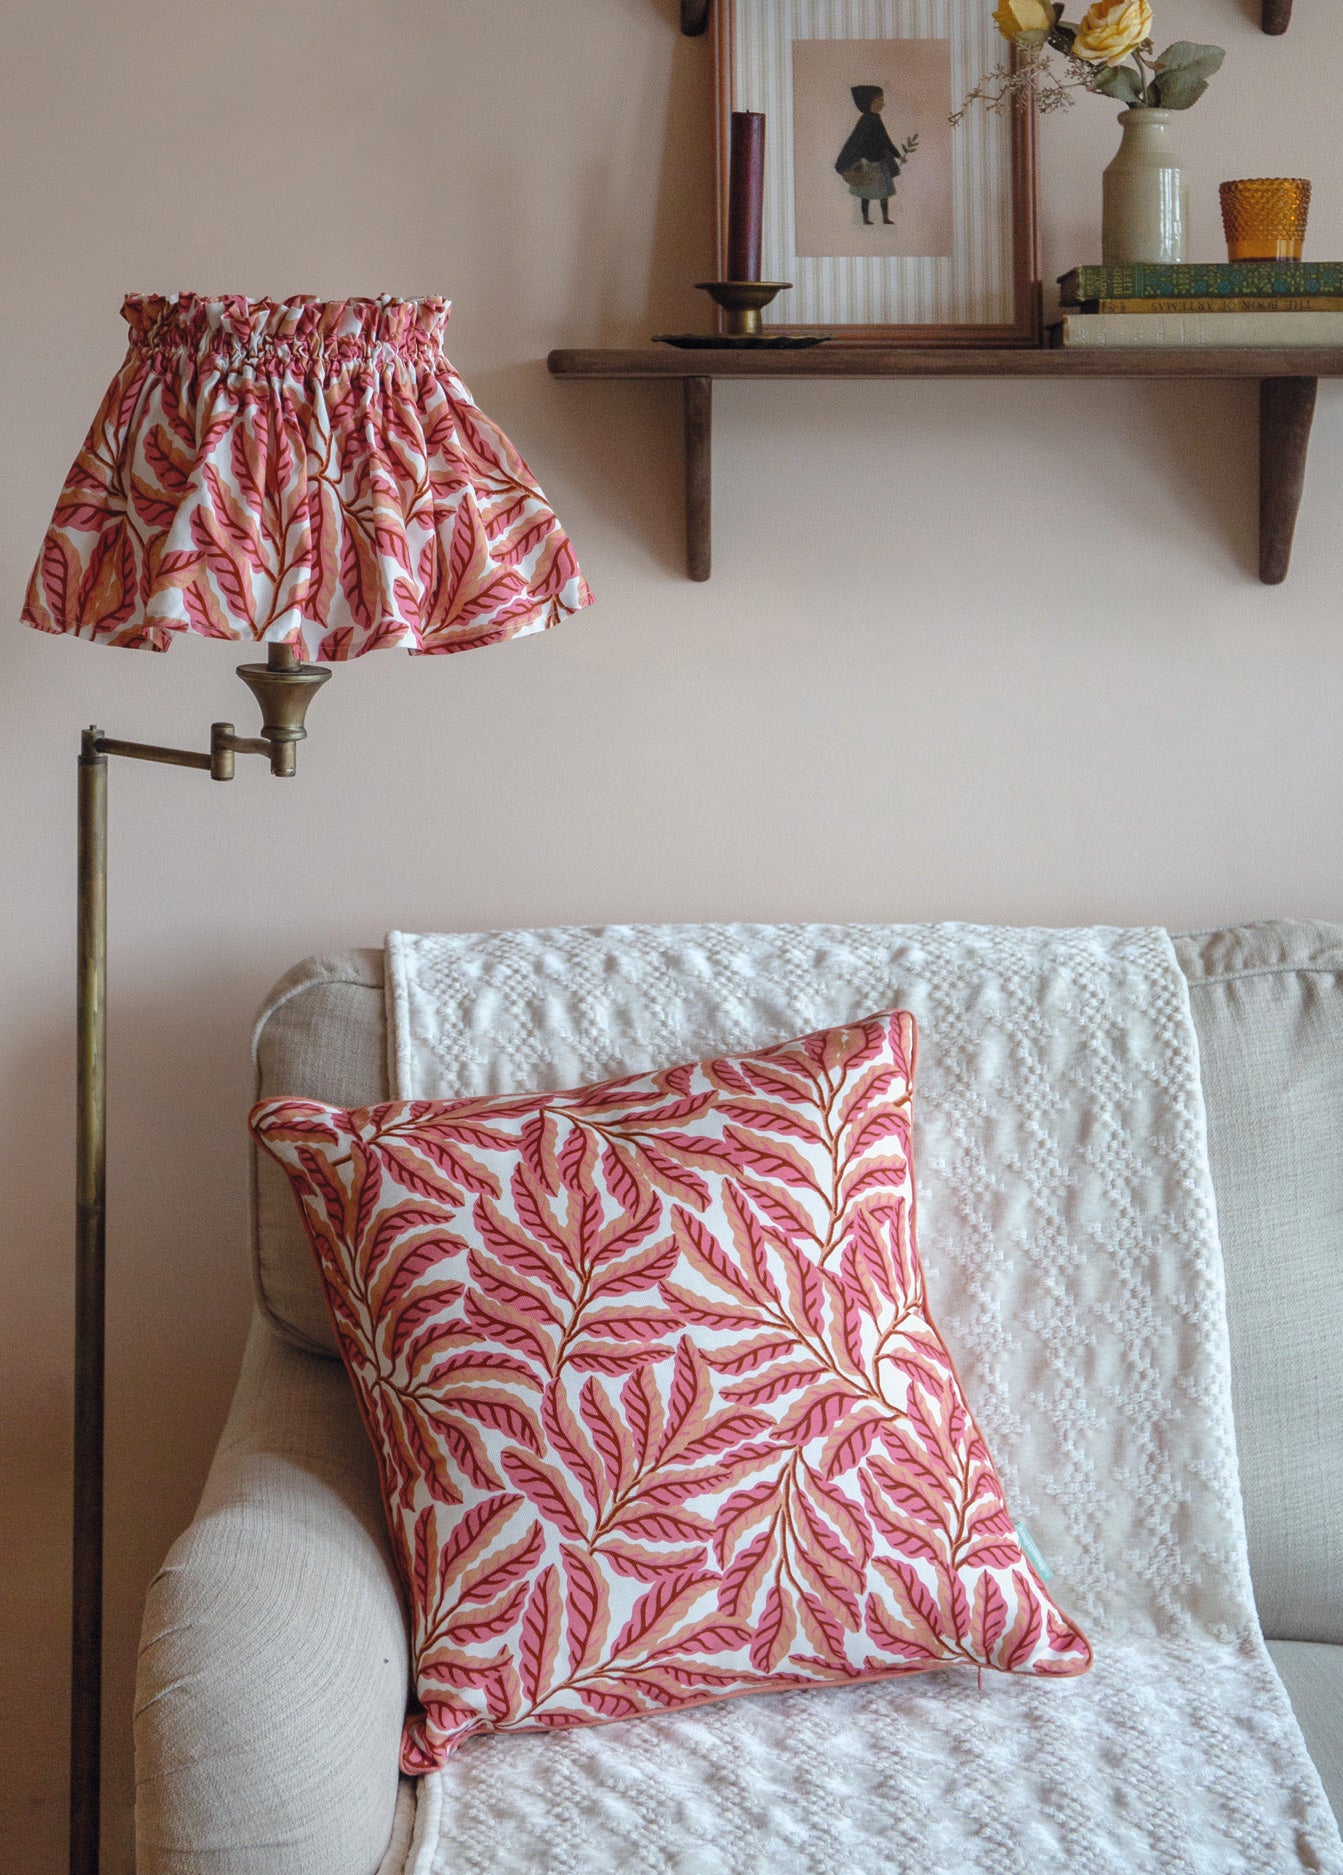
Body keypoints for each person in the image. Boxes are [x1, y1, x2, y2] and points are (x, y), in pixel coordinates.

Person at [834, 86, 913, 226]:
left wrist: (898, 155)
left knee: (884, 193)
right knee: (866, 193)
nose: (882, 104)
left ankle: (885, 217)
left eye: (882, 100)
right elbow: (856, 143)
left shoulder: (877, 118)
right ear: (868, 102)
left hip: (881, 162)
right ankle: (865, 219)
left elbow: (885, 139)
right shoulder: (865, 121)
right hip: (868, 164)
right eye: (879, 100)